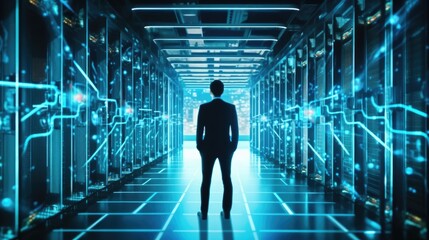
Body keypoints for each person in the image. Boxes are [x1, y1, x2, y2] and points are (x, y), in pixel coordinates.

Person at [196, 80, 239, 220]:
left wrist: (200, 146)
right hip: (226, 147)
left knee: (206, 180)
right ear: (223, 90)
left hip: (207, 148)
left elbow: (199, 129)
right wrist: (233, 146)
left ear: (210, 91)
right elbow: (235, 129)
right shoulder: (230, 108)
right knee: (227, 179)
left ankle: (204, 213)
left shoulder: (204, 107)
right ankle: (226, 212)